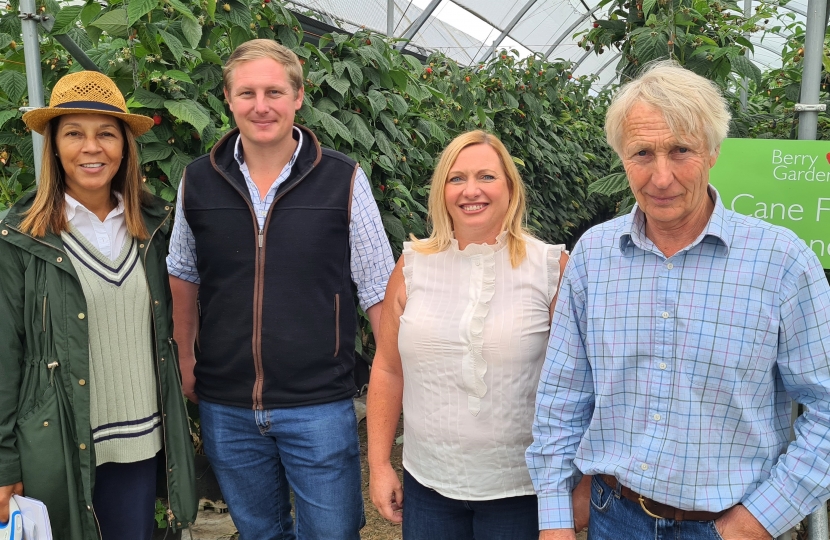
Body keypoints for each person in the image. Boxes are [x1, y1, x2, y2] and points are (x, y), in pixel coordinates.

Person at [527, 59, 830, 540]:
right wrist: (555, 517)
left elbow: (826, 408)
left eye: (680, 150)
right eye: (642, 153)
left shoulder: (783, 262)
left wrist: (758, 521)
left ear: (712, 151)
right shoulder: (594, 256)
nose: (661, 176)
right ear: (622, 157)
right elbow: (563, 395)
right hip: (614, 518)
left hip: (727, 524)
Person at [167, 39, 394, 540]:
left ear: (298, 96)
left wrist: (391, 372)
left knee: (331, 533)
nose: (261, 105)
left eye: (274, 91)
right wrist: (186, 357)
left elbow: (379, 286)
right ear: (228, 99)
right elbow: (183, 272)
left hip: (318, 402)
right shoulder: (197, 181)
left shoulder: (343, 179)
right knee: (259, 532)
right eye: (246, 93)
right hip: (227, 404)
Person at [0, 71, 197, 539]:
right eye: (74, 133)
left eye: (106, 134)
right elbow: (4, 355)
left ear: (126, 147)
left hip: (138, 443)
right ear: (53, 146)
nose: (92, 148)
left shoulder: (157, 227)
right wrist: (4, 460)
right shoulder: (21, 239)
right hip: (57, 445)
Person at [367, 130, 589, 540]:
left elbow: (583, 385)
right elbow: (387, 368)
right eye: (456, 178)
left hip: (520, 490)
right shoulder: (412, 265)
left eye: (486, 176)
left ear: (510, 187)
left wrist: (582, 484)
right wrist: (380, 465)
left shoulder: (551, 268)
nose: (471, 191)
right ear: (442, 191)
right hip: (428, 483)